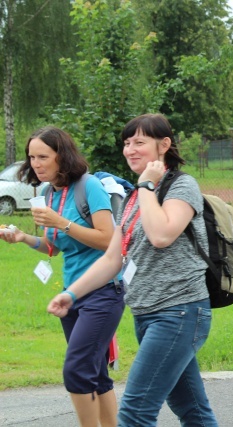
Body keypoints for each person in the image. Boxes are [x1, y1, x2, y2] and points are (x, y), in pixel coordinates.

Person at [47, 114, 217, 426]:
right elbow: (113, 259)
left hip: (179, 312)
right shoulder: (135, 196)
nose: (130, 150)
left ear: (164, 145)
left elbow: (161, 235)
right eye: (127, 143)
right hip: (147, 314)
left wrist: (147, 186)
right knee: (193, 411)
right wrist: (71, 294)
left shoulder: (181, 185)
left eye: (139, 142)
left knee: (135, 413)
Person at [0, 126, 123, 427]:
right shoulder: (47, 193)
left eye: (43, 156)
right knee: (95, 372)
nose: (36, 164)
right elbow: (55, 245)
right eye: (31, 157)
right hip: (72, 295)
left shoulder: (89, 186)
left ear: (62, 156)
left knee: (77, 369)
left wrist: (62, 222)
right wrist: (24, 238)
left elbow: (108, 240)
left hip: (103, 291)